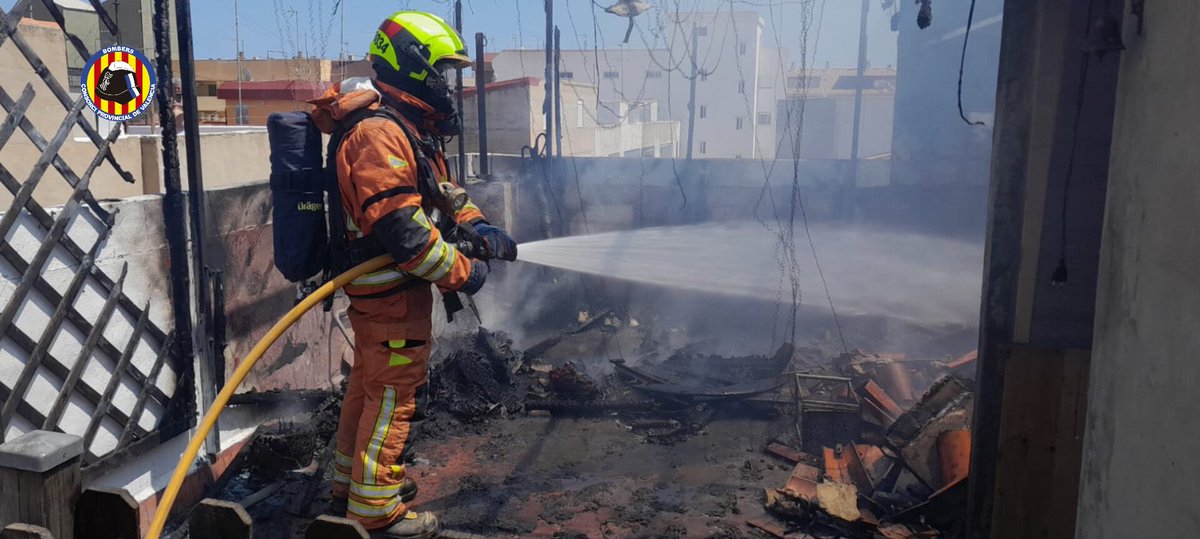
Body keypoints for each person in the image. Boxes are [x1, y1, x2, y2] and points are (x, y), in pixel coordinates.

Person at [308, 11, 517, 538]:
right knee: (394, 397)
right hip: (389, 294)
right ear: (413, 65)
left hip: (388, 293)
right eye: (441, 72)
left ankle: (350, 486)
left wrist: (479, 226)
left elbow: (440, 193)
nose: (446, 85)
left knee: (367, 387)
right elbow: (406, 235)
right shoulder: (379, 133)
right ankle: (376, 509)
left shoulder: (405, 128)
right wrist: (465, 272)